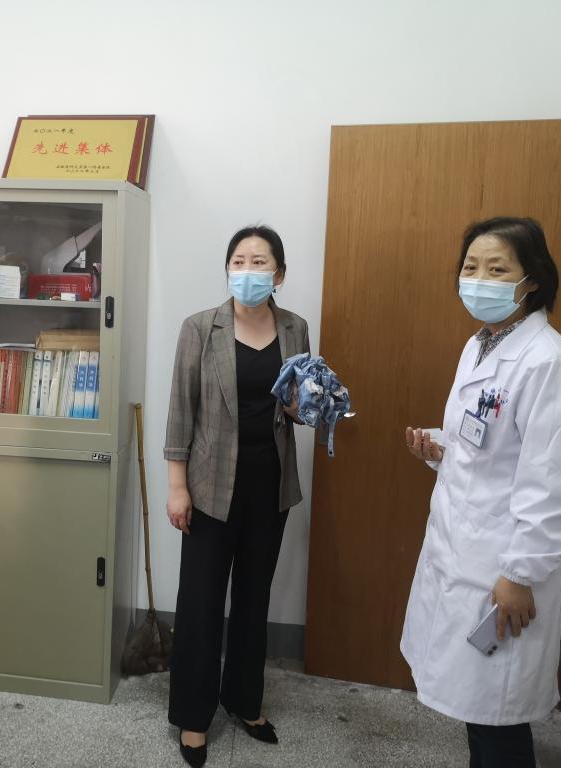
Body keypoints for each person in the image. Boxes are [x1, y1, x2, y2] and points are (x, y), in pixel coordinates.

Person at [402, 217, 561, 767]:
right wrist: (440, 448)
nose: (478, 280)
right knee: (478, 713)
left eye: (497, 269)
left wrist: (520, 575)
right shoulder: (482, 344)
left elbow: (551, 485)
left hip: (503, 568)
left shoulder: (551, 365)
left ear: (531, 280)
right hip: (460, 551)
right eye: (470, 267)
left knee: (498, 720)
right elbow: (487, 445)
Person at [164, 225, 309, 767]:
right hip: (208, 488)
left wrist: (303, 405)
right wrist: (177, 487)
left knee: (253, 600)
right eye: (239, 261)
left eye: (260, 261)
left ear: (279, 274)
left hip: (270, 485)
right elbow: (181, 411)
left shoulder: (295, 327)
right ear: (228, 269)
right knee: (201, 603)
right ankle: (193, 716)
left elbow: (300, 404)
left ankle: (244, 700)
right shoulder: (200, 328)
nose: (248, 270)